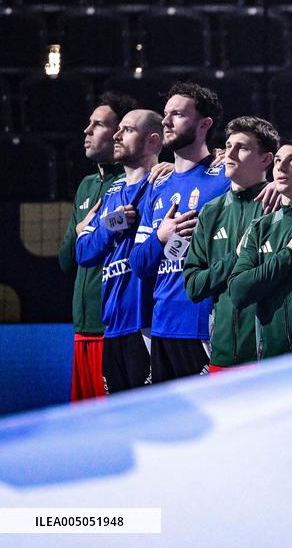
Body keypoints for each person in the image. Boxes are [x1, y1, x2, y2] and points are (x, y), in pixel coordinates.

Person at [130, 82, 231, 382]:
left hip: (202, 326)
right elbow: (139, 264)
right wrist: (161, 237)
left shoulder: (226, 177)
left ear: (204, 124)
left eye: (178, 114)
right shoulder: (158, 184)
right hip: (161, 325)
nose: (166, 121)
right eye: (165, 113)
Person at [75, 109, 163, 393]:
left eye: (128, 130)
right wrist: (112, 224)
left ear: (152, 141)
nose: (116, 135)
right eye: (118, 129)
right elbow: (83, 252)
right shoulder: (112, 191)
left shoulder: (163, 184)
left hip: (146, 324)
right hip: (113, 326)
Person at [183, 116, 278, 372]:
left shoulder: (280, 205)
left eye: (242, 147)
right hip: (222, 354)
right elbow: (193, 287)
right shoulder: (210, 212)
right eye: (228, 145)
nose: (229, 154)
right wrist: (235, 257)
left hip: (269, 358)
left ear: (266, 159)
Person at [58, 93, 134, 401]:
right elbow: (67, 259)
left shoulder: (136, 181)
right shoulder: (86, 185)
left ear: (119, 133)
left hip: (115, 328)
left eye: (98, 124)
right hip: (82, 329)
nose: (86, 130)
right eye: (89, 123)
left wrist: (98, 228)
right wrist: (82, 232)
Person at [230, 138, 292, 358]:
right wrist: (289, 256)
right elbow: (237, 292)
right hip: (272, 361)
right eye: (277, 161)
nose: (281, 167)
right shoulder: (260, 228)